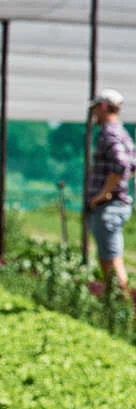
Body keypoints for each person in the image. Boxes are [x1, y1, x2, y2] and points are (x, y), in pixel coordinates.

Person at [87, 88, 133, 292]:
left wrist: (104, 193)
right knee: (110, 255)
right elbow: (131, 166)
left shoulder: (109, 132)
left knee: (111, 258)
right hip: (116, 203)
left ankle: (121, 307)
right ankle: (114, 302)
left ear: (104, 106)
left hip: (109, 205)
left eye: (95, 108)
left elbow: (122, 165)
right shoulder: (122, 132)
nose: (94, 113)